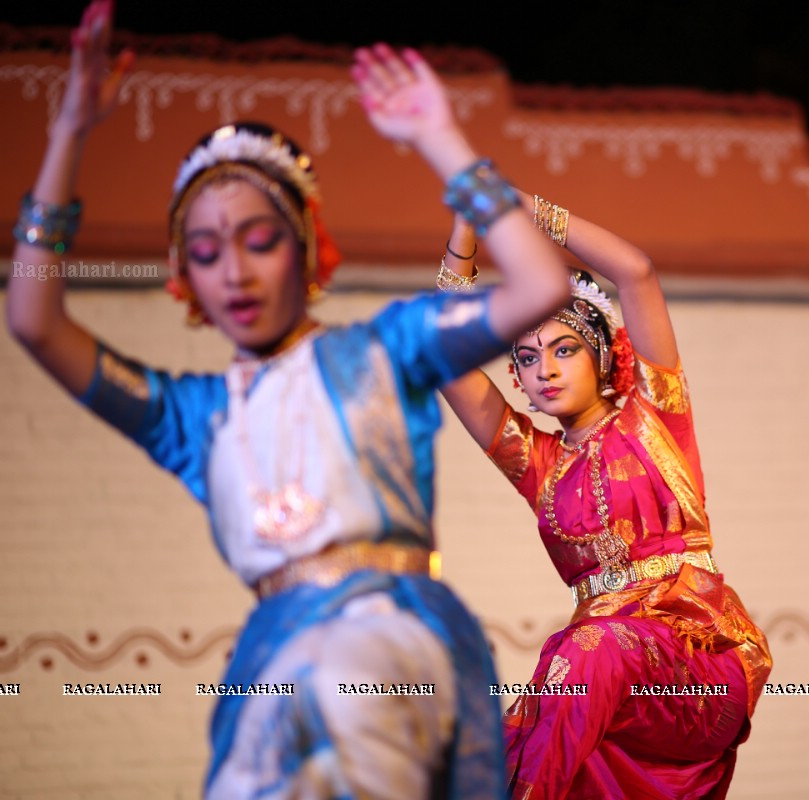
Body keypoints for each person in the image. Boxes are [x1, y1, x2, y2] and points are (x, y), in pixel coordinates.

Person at [6, 2, 570, 797]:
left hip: (389, 645)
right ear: (185, 276)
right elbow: (32, 321)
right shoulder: (192, 419)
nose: (233, 271)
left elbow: (541, 283)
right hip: (270, 665)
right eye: (204, 251)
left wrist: (441, 142)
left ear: (305, 244)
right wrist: (67, 133)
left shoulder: (387, 349)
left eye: (258, 239)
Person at [435, 195, 773, 798]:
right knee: (484, 747)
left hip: (699, 668)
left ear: (600, 355)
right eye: (527, 358)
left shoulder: (655, 417)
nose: (546, 370)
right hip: (607, 692)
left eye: (564, 349)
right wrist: (464, 234)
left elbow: (635, 272)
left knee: (585, 650)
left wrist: (520, 209)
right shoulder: (537, 465)